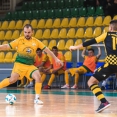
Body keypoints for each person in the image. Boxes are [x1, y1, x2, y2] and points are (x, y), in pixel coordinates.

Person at [0, 24, 63, 104]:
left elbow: (47, 50)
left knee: (38, 77)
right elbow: (6, 46)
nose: (27, 34)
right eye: (25, 32)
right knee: (12, 80)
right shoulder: (19, 40)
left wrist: (56, 58)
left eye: (29, 32)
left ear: (32, 32)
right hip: (19, 65)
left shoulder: (36, 42)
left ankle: (37, 98)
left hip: (30, 66)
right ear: (23, 32)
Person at [69, 20, 117, 112]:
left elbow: (91, 41)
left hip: (112, 63)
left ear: (110, 28)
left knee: (91, 82)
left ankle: (104, 102)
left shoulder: (107, 34)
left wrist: (75, 47)